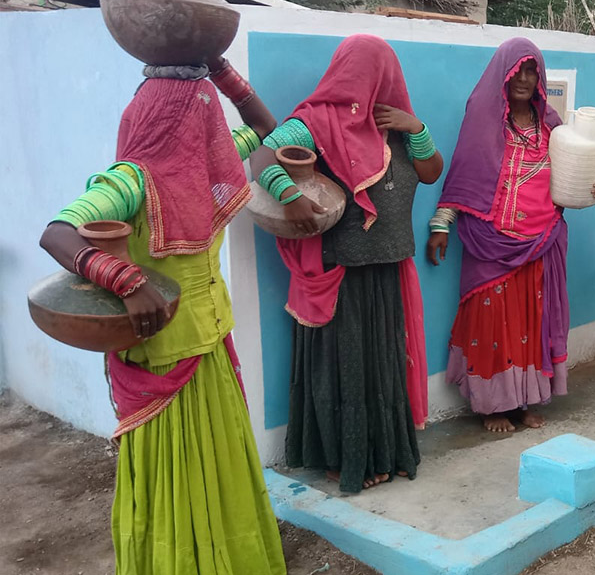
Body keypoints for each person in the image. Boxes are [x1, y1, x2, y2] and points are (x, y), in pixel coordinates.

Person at [39, 58, 286, 573]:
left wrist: (216, 67)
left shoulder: (207, 168)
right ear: (164, 121)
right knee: (177, 476)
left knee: (216, 472)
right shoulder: (131, 180)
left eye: (210, 115)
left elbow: (267, 127)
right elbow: (58, 231)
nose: (209, 124)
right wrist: (125, 278)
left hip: (210, 343)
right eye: (199, 116)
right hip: (161, 356)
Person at [254, 34, 444, 493]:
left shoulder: (396, 124)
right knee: (344, 365)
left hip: (385, 265)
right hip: (339, 268)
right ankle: (343, 458)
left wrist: (415, 127)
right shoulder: (315, 122)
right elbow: (262, 158)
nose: (368, 82)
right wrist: (289, 195)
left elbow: (431, 171)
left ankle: (383, 452)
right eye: (360, 70)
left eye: (378, 72)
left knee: (381, 363)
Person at [428, 37, 595, 433]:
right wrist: (441, 223)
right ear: (504, 74)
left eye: (533, 71)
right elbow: (463, 174)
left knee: (532, 322)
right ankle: (493, 405)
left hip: (540, 239)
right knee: (491, 323)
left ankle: (527, 399)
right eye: (518, 70)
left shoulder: (554, 128)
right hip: (488, 239)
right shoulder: (483, 121)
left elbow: (578, 179)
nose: (525, 78)